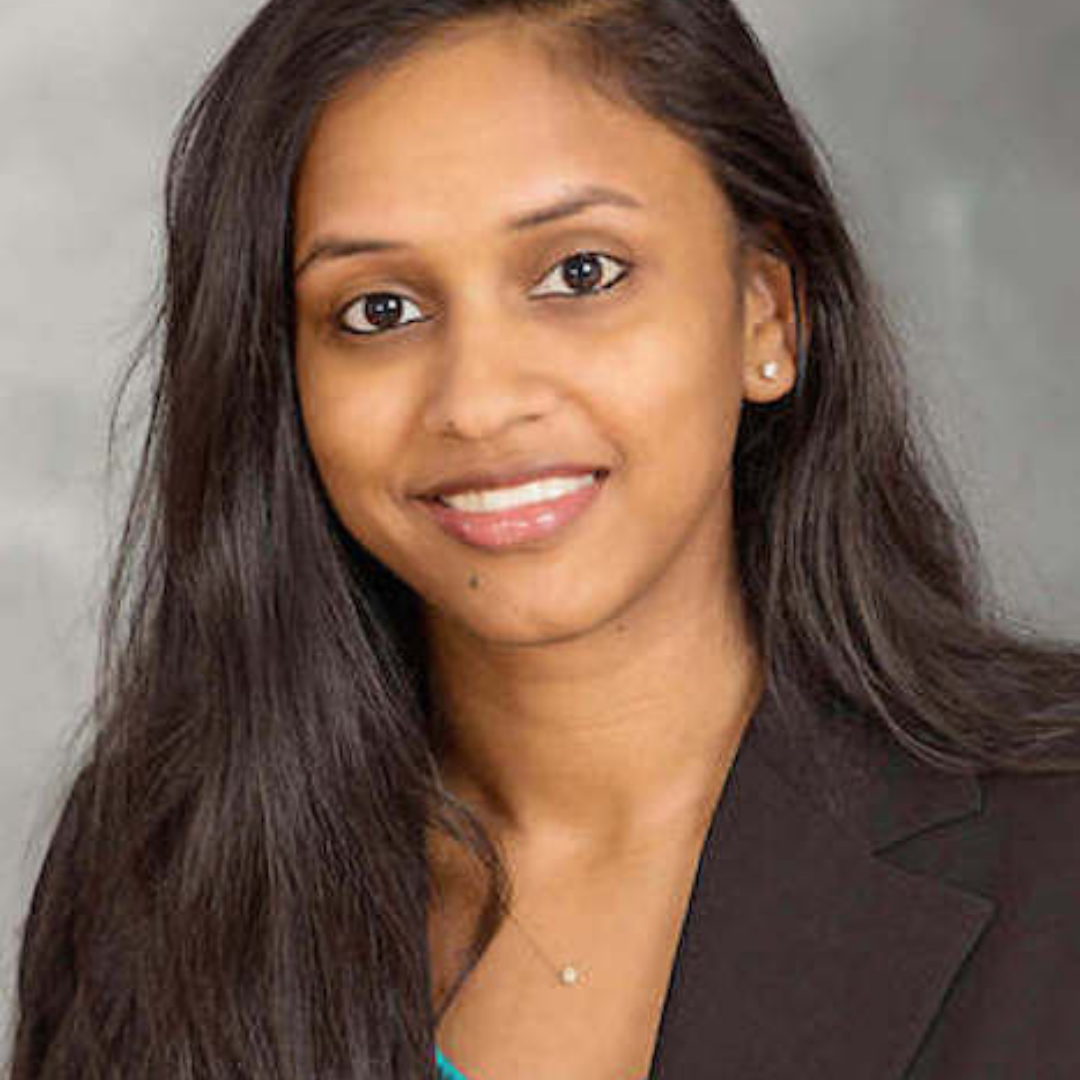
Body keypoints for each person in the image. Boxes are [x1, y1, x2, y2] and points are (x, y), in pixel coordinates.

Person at [9, 0, 1080, 1077]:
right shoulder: (149, 877)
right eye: (379, 310)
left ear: (768, 314)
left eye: (581, 273)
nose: (478, 401)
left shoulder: (1056, 852)